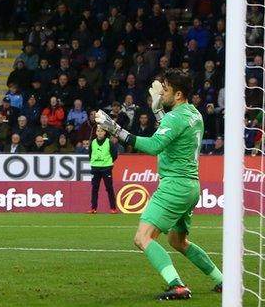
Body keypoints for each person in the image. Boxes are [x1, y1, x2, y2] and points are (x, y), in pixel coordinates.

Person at [94, 69, 223, 300]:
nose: (161, 92)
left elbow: (154, 146)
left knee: (142, 238)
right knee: (178, 241)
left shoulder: (175, 117)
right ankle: (221, 279)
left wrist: (117, 130)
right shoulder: (194, 113)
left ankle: (178, 285)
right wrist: (159, 111)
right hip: (190, 186)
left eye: (166, 90)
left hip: (174, 186)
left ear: (179, 94)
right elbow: (174, 132)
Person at [87, 128, 118, 214]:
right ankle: (93, 208)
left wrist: (108, 162)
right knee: (94, 188)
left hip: (106, 168)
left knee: (109, 188)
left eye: (101, 131)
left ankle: (113, 208)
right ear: (96, 132)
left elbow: (114, 154)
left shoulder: (109, 142)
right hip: (95, 168)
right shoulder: (93, 142)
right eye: (98, 131)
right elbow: (90, 154)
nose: (100, 132)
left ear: (105, 133)